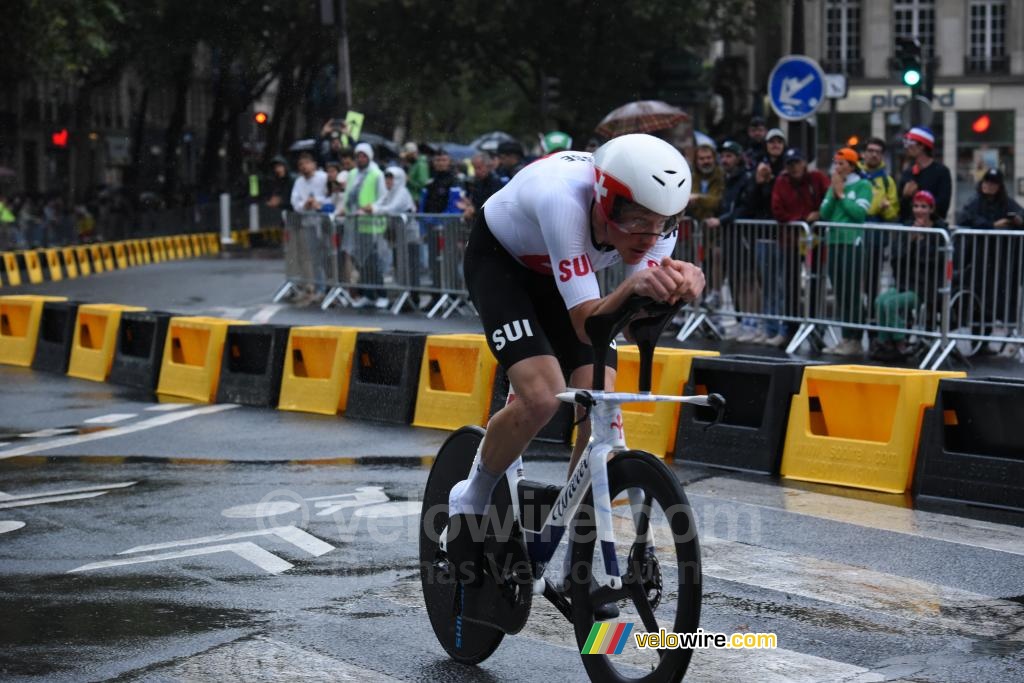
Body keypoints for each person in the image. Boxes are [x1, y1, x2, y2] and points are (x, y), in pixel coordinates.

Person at [447, 134, 704, 595]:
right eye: (638, 223)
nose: (650, 236)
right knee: (542, 397)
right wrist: (634, 287)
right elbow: (587, 323)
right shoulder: (562, 200)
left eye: (661, 225)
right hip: (505, 267)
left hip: (564, 277)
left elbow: (628, 327)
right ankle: (471, 495)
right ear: (606, 202)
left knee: (599, 403)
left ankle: (574, 558)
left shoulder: (658, 219)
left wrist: (678, 293)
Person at [871, 190, 945, 362]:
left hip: (924, 286)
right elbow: (896, 257)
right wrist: (911, 241)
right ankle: (885, 342)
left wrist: (921, 241)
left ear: (931, 209)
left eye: (924, 207)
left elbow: (933, 260)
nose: (919, 210)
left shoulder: (940, 231)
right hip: (904, 283)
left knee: (890, 303)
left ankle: (900, 342)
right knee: (880, 300)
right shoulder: (907, 227)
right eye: (916, 206)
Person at [956, 168, 1024, 353]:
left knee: (998, 300)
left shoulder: (1006, 203)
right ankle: (978, 341)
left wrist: (1017, 221)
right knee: (978, 299)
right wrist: (991, 226)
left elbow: (1021, 215)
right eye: (987, 182)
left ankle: (990, 341)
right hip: (978, 260)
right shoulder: (975, 202)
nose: (989, 186)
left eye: (993, 183)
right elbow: (964, 219)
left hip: (1002, 262)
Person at [766, 147, 829, 346]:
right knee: (790, 287)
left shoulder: (817, 178)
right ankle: (789, 331)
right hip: (791, 242)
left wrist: (819, 214)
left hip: (816, 242)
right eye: (790, 164)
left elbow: (828, 201)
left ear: (804, 163)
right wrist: (801, 220)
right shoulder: (781, 182)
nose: (794, 167)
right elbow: (777, 210)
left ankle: (816, 332)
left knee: (816, 285)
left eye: (797, 162)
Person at [819, 147, 873, 356]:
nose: (837, 167)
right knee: (840, 292)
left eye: (841, 163)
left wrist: (841, 195)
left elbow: (859, 214)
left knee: (852, 292)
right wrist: (834, 193)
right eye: (836, 163)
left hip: (852, 242)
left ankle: (855, 338)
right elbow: (824, 213)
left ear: (851, 166)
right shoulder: (834, 185)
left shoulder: (863, 185)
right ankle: (845, 337)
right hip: (834, 241)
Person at [706, 140, 759, 341]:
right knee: (735, 279)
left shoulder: (745, 178)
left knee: (746, 280)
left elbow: (744, 207)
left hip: (743, 235)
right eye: (723, 156)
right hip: (729, 235)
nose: (724, 160)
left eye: (729, 156)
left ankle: (751, 322)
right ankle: (740, 320)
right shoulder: (727, 179)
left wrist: (721, 220)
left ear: (738, 158)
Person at [339, 142, 388, 308]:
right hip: (354, 223)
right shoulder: (352, 173)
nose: (360, 159)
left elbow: (383, 197)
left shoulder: (376, 174)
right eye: (358, 156)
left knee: (372, 261)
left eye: (363, 156)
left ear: (369, 157)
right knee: (360, 261)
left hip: (370, 224)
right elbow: (348, 195)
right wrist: (344, 210)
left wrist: (372, 208)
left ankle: (381, 294)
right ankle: (368, 294)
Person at [898, 126, 952, 222]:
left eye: (910, 142)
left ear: (922, 145)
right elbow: (900, 210)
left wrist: (924, 221)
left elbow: (943, 206)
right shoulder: (908, 173)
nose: (907, 147)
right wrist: (905, 196)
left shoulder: (941, 172)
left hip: (932, 231)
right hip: (909, 230)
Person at [460, 151, 503, 221]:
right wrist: (469, 205)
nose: (476, 171)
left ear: (488, 166)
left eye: (479, 168)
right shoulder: (477, 181)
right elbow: (476, 201)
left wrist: (474, 210)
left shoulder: (495, 181)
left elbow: (491, 206)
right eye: (474, 168)